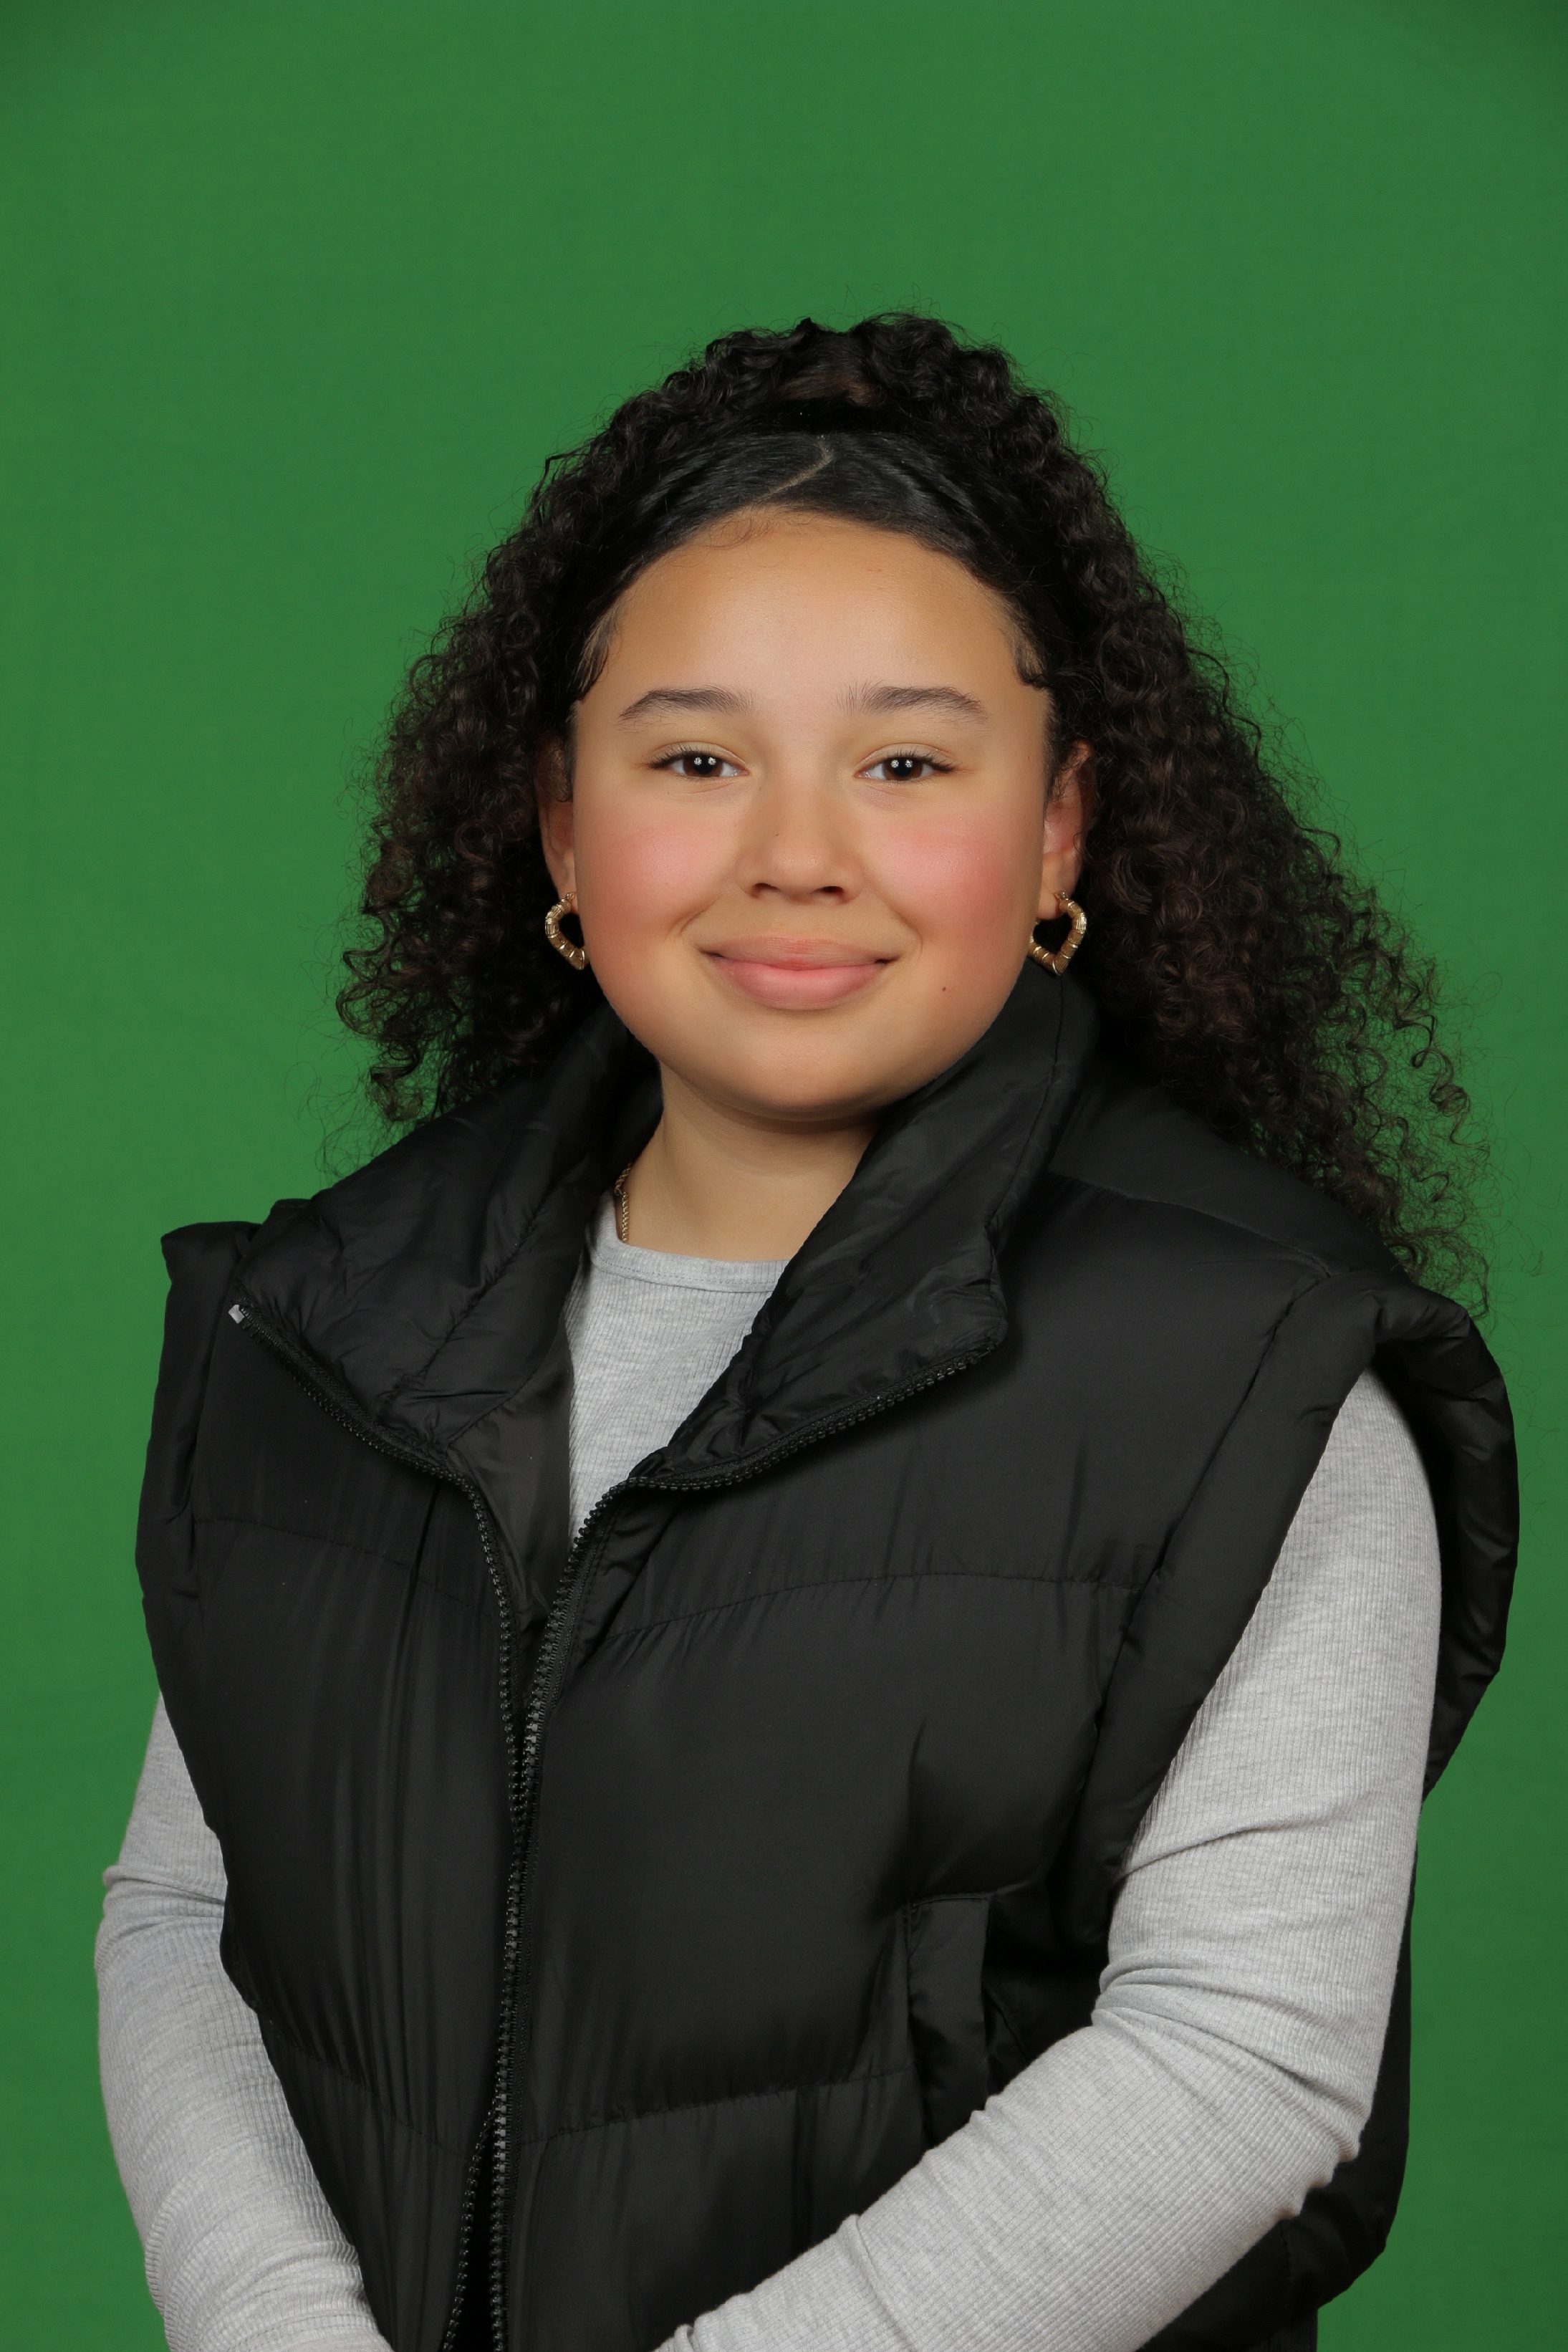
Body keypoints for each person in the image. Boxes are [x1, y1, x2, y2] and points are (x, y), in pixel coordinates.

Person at [98, 315, 1517, 2352]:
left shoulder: (1257, 1380)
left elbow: (1244, 2056)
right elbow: (188, 1907)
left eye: (907, 763)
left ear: (1060, 829)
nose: (795, 853)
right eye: (695, 759)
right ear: (564, 828)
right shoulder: (323, 1324)